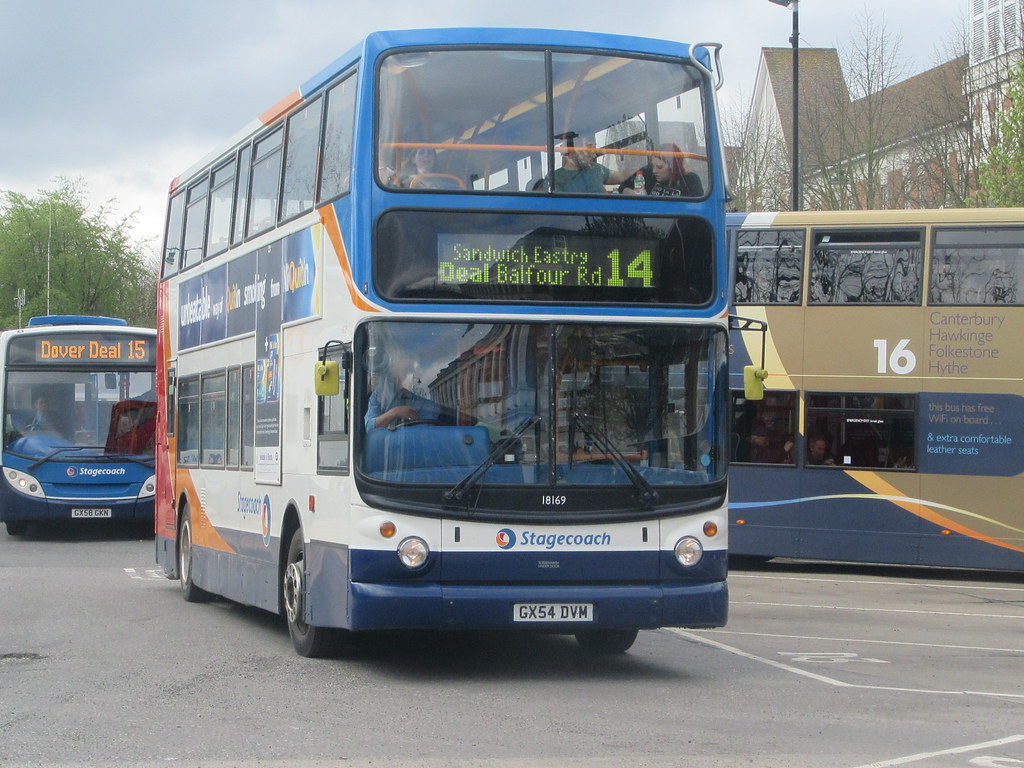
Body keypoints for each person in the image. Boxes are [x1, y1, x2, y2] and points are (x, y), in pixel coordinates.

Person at [364, 352, 442, 431]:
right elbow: (369, 427)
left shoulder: (428, 405)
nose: (413, 375)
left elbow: (427, 432)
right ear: (396, 372)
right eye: (407, 370)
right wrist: (395, 412)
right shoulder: (379, 396)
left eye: (414, 371)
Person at [619, 143, 704, 197]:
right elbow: (622, 187)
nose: (654, 171)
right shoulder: (648, 173)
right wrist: (635, 195)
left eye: (660, 167)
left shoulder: (690, 180)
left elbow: (696, 209)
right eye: (653, 166)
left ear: (673, 167)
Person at [551, 135, 627, 193]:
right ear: (575, 151)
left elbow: (622, 176)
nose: (594, 156)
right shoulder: (554, 179)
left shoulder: (595, 168)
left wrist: (634, 174)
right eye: (590, 151)